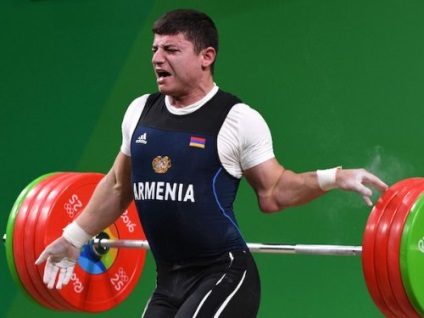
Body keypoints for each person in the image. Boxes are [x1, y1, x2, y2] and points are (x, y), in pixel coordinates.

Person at [35, 8, 388, 318]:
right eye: (155, 49)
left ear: (206, 56)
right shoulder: (139, 112)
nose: (158, 58)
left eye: (171, 50)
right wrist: (73, 237)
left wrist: (333, 176)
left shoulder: (236, 120)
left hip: (224, 275)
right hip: (168, 283)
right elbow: (117, 186)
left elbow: (274, 193)